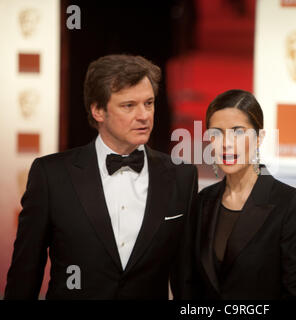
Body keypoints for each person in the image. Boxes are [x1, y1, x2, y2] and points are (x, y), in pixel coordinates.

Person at [5, 54, 198, 300]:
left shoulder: (182, 176)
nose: (144, 115)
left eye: (148, 103)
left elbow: (186, 278)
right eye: (129, 105)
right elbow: (25, 273)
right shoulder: (51, 176)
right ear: (98, 110)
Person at [191, 89, 296, 299]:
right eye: (216, 133)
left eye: (238, 132)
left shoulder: (292, 205)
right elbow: (190, 285)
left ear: (259, 138)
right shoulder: (203, 201)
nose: (226, 143)